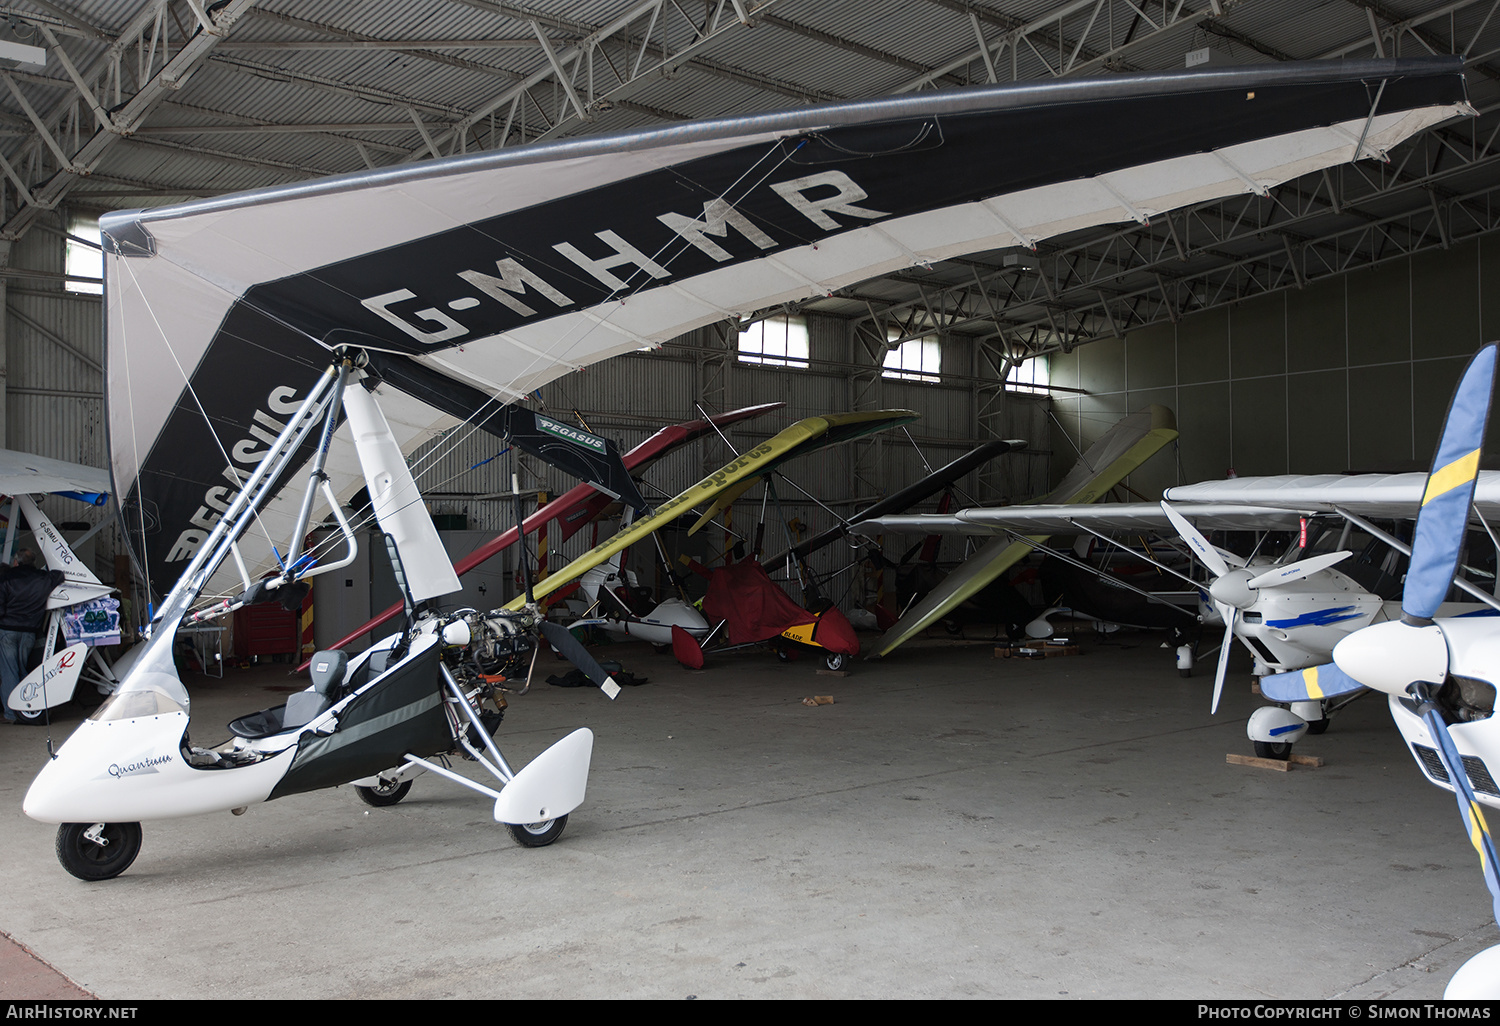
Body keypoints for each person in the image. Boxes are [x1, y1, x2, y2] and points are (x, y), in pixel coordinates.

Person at [0, 549, 64, 723]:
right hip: (29, 632)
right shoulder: (44, 578)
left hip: (8, 630)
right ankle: (26, 707)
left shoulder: (7, 578)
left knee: (9, 671)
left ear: (16, 562)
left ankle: (12, 713)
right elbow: (59, 574)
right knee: (21, 669)